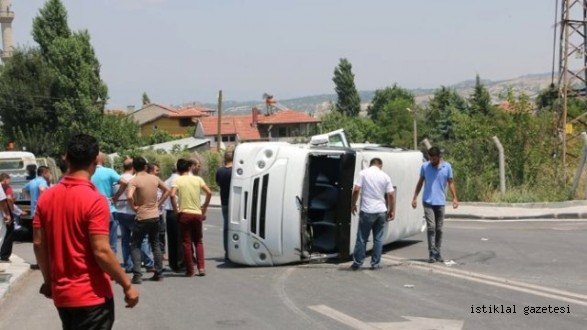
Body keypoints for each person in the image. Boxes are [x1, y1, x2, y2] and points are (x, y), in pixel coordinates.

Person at [33, 133, 138, 329]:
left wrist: (49, 281)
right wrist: (127, 284)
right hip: (92, 296)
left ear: (66, 157)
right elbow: (101, 250)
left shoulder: (46, 198)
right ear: (95, 160)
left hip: (63, 297)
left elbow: (39, 244)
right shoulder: (95, 200)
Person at [411, 146, 459, 263]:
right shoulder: (425, 166)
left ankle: (437, 252)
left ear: (439, 157)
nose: (432, 161)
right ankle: (432, 253)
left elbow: (451, 182)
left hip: (440, 202)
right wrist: (415, 197)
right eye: (430, 158)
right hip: (428, 202)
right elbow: (420, 182)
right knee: (431, 227)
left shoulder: (447, 167)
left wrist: (454, 198)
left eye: (434, 158)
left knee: (439, 229)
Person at [127, 157, 170, 284]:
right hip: (155, 215)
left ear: (134, 167)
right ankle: (159, 272)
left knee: (135, 244)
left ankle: (137, 274)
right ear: (145, 166)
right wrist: (159, 203)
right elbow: (167, 190)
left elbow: (129, 196)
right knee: (155, 243)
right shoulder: (154, 178)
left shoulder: (134, 180)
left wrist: (134, 206)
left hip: (142, 216)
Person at [350, 158, 395, 270]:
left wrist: (353, 204)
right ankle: (375, 264)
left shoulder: (363, 173)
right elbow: (390, 194)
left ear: (370, 165)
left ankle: (358, 263)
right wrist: (391, 210)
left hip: (367, 211)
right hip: (381, 211)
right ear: (380, 165)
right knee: (378, 239)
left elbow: (356, 190)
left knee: (362, 238)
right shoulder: (385, 176)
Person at [170, 158, 212, 277]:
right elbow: (209, 193)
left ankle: (190, 270)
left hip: (184, 213)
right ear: (189, 168)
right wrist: (204, 207)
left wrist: (176, 210)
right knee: (198, 240)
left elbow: (172, 195)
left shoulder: (177, 180)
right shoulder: (198, 179)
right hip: (197, 213)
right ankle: (201, 267)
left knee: (186, 242)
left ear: (178, 169)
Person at [114, 158, 153, 273]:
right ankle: (149, 263)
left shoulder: (117, 179)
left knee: (125, 239)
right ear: (133, 167)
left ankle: (128, 264)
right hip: (133, 211)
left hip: (120, 211)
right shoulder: (134, 179)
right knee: (143, 238)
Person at [91, 153, 128, 254]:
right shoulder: (108, 171)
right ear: (102, 160)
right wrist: (116, 196)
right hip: (109, 207)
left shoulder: (88, 173)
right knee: (112, 242)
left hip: (93, 209)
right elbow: (125, 182)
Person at [0, 173, 25, 262]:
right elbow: (8, 199)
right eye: (9, 179)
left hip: (2, 212)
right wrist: (12, 211)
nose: (10, 182)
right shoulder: (7, 187)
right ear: (5, 179)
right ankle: (4, 254)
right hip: (5, 211)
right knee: (9, 233)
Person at [163, 167, 183, 272]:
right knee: (180, 239)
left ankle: (172, 263)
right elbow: (173, 195)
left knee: (171, 239)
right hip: (177, 210)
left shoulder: (167, 181)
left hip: (168, 212)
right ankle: (180, 263)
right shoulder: (180, 180)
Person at [215, 151, 233, 260]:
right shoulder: (236, 171)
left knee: (226, 227)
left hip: (224, 202)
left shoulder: (220, 171)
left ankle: (227, 251)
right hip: (235, 202)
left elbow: (218, 183)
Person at [147, 163, 166, 261]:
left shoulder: (159, 181)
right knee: (152, 236)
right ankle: (150, 256)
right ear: (150, 171)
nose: (158, 172)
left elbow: (167, 191)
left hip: (159, 212)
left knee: (161, 233)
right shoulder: (147, 181)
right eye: (157, 170)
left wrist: (160, 203)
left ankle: (162, 253)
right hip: (150, 213)